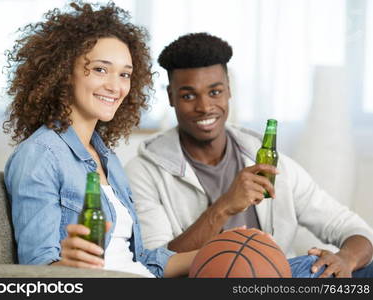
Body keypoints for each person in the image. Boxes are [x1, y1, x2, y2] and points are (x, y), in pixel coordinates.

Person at [125, 32, 373, 278]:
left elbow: (354, 229)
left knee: (348, 268)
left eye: (215, 92)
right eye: (189, 95)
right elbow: (155, 268)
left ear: (229, 90)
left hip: (276, 278)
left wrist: (345, 260)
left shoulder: (265, 160)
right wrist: (223, 208)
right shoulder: (144, 173)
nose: (204, 107)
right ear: (171, 97)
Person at [3, 2, 198, 278]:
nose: (115, 86)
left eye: (124, 74)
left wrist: (210, 253)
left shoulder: (107, 158)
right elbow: (36, 270)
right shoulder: (41, 155)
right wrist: (69, 264)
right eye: (100, 69)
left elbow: (138, 261)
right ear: (63, 72)